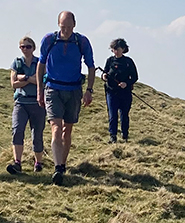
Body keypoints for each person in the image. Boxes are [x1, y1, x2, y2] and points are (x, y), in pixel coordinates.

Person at [37, 10, 98, 186]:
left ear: (74, 25)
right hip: (53, 88)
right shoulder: (49, 40)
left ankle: (62, 165)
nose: (66, 30)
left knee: (67, 130)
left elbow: (91, 66)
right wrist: (40, 90)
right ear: (58, 25)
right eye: (63, 27)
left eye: (69, 27)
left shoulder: (82, 42)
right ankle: (57, 168)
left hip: (74, 90)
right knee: (56, 127)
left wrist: (89, 90)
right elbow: (41, 64)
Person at [8, 36, 45, 174]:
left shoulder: (40, 62)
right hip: (21, 103)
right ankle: (17, 162)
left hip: (37, 102)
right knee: (17, 130)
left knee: (37, 134)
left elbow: (42, 81)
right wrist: (32, 79)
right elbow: (14, 84)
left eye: (28, 46)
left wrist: (24, 78)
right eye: (22, 47)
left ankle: (38, 163)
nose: (25, 49)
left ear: (33, 48)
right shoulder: (16, 63)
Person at [103, 38, 139, 143]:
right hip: (111, 92)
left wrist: (126, 83)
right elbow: (105, 72)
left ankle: (125, 135)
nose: (115, 51)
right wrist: (104, 76)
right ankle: (113, 136)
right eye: (113, 49)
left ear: (123, 49)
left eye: (117, 49)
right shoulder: (110, 61)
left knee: (124, 114)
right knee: (112, 114)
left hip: (125, 93)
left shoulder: (128, 62)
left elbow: (135, 77)